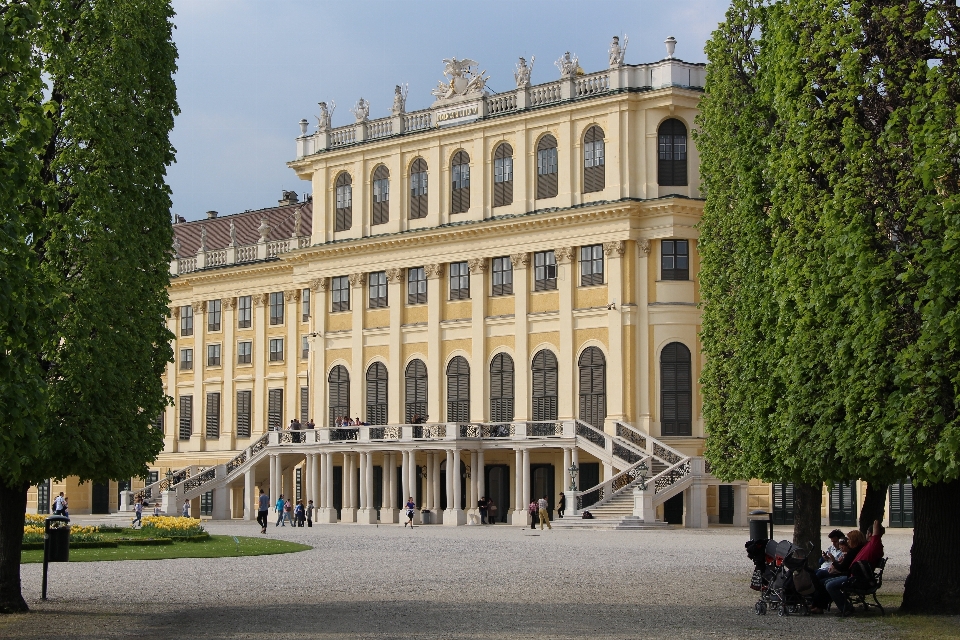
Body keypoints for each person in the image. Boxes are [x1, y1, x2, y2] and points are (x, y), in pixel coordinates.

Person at [826, 520, 885, 616]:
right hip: (855, 575)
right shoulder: (868, 545)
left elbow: (877, 525)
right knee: (827, 582)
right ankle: (843, 606)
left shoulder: (874, 544)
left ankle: (846, 608)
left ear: (870, 534)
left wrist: (876, 521)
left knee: (830, 585)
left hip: (858, 579)